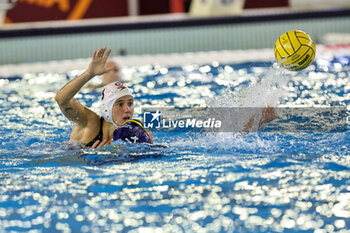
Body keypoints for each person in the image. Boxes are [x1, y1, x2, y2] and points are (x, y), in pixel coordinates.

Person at [55, 47, 153, 148]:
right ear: (107, 108)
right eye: (120, 104)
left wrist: (148, 146)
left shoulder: (133, 131)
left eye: (130, 103)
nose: (127, 110)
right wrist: (89, 74)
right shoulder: (90, 122)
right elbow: (61, 99)